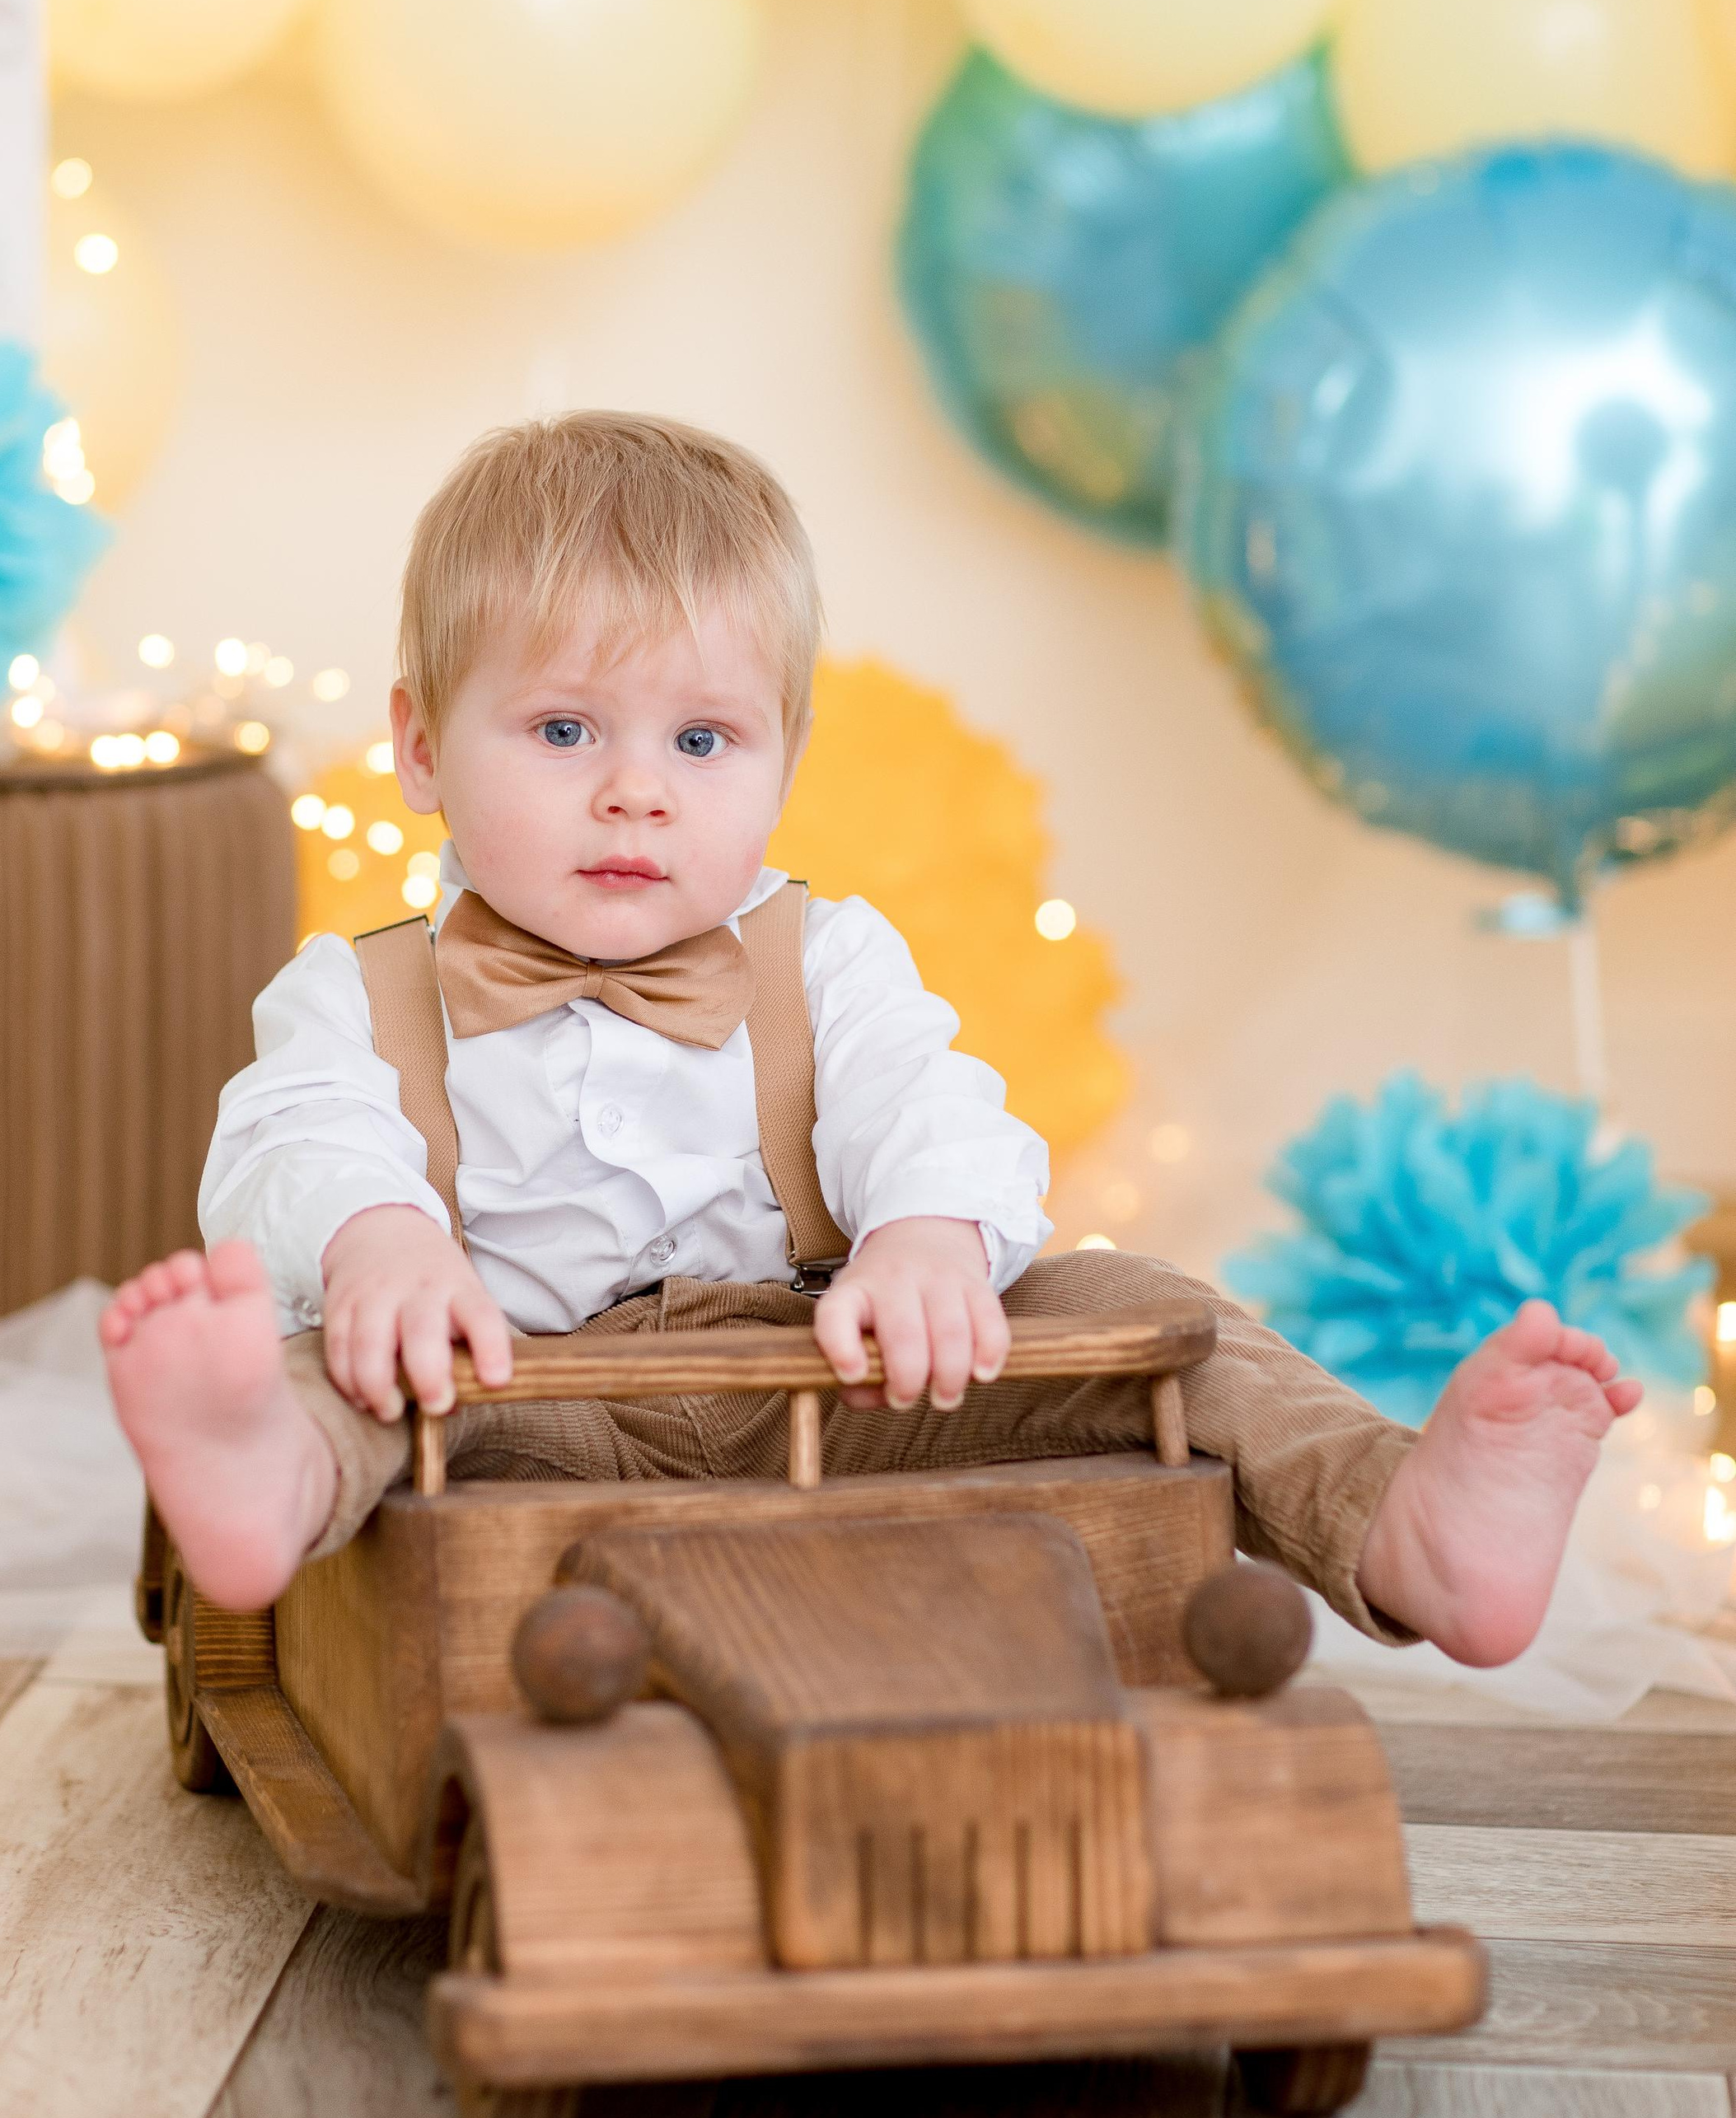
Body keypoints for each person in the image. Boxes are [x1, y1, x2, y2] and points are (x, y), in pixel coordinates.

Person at [101, 409, 1639, 1657]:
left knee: (1150, 1304)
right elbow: (293, 1139)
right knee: (330, 1367)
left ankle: (1399, 1522)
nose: (637, 789)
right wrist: (379, 1241)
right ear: (423, 746)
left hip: (828, 1392)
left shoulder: (825, 955)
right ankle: (263, 1477)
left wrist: (925, 1238)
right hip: (508, 1415)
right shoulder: (353, 992)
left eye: (702, 740)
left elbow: (933, 1102)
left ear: (784, 762)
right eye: (565, 730)